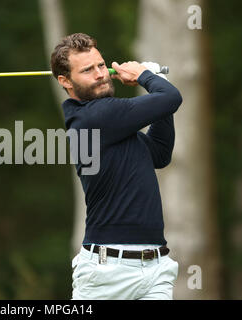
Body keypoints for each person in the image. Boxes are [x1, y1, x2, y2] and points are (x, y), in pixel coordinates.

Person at [50, 33, 183, 300]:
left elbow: (158, 153)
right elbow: (172, 98)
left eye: (101, 65)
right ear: (65, 81)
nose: (100, 74)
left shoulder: (112, 125)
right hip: (106, 275)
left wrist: (160, 82)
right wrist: (146, 76)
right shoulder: (93, 117)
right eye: (87, 70)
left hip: (156, 268)